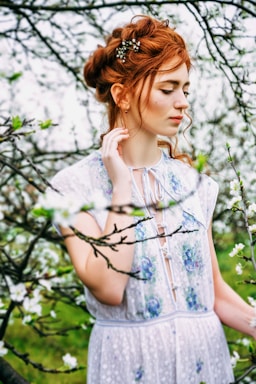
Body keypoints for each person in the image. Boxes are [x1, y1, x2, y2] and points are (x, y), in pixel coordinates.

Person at [46, 15, 256, 384]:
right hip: (130, 365)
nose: (182, 103)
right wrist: (122, 186)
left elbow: (214, 294)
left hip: (205, 363)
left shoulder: (195, 186)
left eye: (185, 90)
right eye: (168, 88)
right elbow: (110, 288)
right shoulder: (70, 190)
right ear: (122, 95)